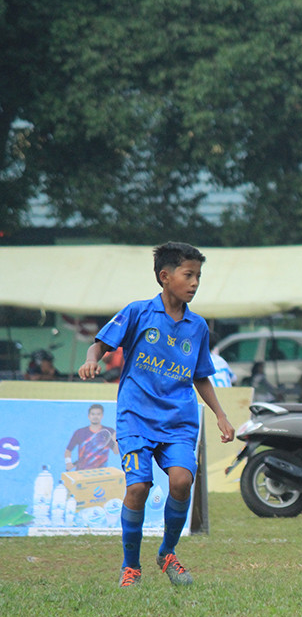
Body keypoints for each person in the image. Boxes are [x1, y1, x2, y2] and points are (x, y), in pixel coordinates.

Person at [77, 241, 235, 588]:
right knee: (139, 488)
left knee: (181, 481)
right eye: (188, 274)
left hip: (179, 419)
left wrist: (221, 415)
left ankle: (167, 553)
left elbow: (200, 374)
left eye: (198, 276)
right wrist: (92, 359)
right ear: (165, 277)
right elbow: (100, 344)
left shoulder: (197, 326)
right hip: (136, 417)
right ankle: (130, 566)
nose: (194, 283)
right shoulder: (137, 312)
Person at [64, 404, 119, 470]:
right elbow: (68, 450)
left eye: (98, 414)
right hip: (82, 472)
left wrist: (115, 440)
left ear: (102, 416)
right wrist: (68, 463)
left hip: (102, 473)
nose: (95, 416)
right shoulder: (79, 432)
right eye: (93, 414)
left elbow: (116, 452)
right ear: (89, 416)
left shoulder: (109, 432)